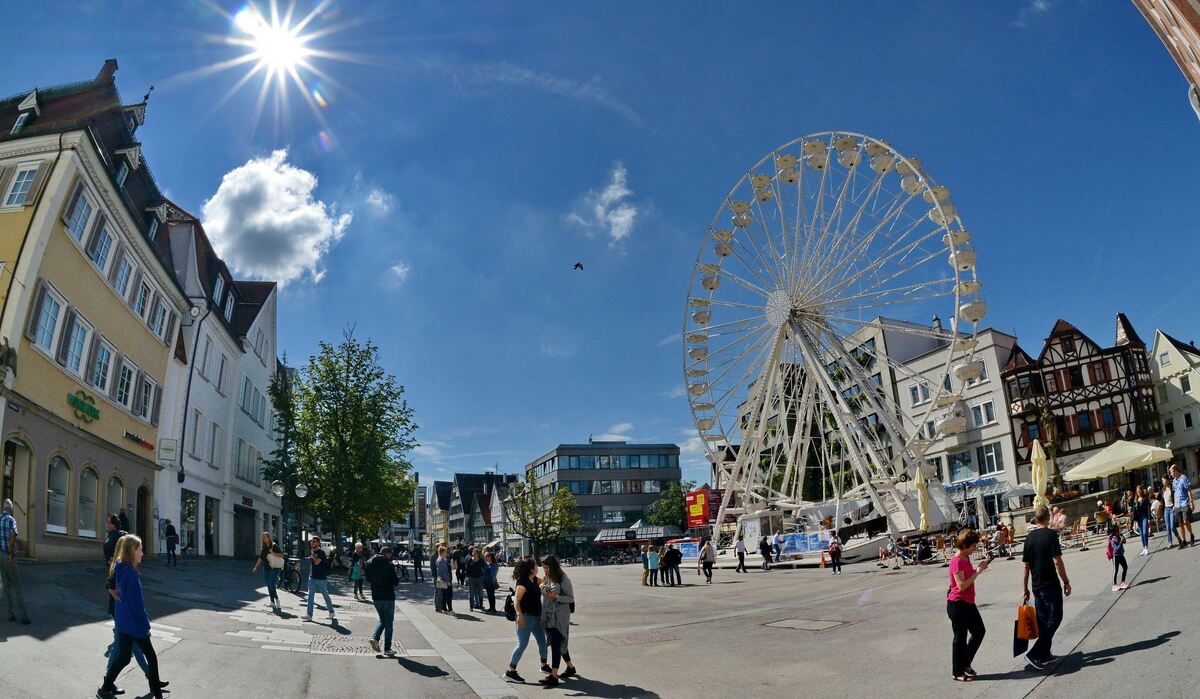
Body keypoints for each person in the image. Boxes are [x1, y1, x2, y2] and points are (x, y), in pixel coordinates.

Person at [96, 535, 167, 699]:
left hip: (124, 622)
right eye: (140, 549)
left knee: (124, 656)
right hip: (135, 625)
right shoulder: (132, 575)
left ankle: (105, 688)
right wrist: (145, 625)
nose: (142, 553)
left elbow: (113, 588)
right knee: (151, 657)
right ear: (132, 551)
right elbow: (137, 606)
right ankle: (157, 694)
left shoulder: (120, 568)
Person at [1022, 506, 1071, 670]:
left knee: (1043, 621)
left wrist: (1025, 588)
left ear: (1035, 519)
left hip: (1036, 585)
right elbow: (1058, 561)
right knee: (1055, 618)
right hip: (1050, 583)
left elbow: (1026, 567)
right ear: (1048, 518)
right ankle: (1035, 653)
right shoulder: (1051, 535)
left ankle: (1044, 653)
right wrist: (1066, 581)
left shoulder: (1029, 538)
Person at [946, 529, 989, 682]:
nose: (975, 548)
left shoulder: (965, 557)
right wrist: (977, 571)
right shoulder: (957, 561)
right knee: (960, 638)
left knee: (979, 631)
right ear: (965, 545)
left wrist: (978, 569)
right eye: (973, 546)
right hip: (958, 604)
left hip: (968, 603)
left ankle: (965, 663)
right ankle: (957, 671)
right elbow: (961, 586)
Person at [504, 558, 549, 683]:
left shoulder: (534, 579)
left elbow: (542, 583)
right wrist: (519, 615)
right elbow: (517, 600)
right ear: (531, 569)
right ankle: (510, 671)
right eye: (535, 565)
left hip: (535, 617)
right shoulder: (522, 582)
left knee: (542, 641)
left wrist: (544, 584)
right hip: (525, 617)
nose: (537, 567)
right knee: (522, 644)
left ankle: (544, 665)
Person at [538, 555, 577, 687]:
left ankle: (554, 676)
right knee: (560, 643)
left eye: (547, 568)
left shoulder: (563, 579)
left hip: (560, 617)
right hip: (549, 617)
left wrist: (557, 597)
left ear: (553, 567)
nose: (545, 570)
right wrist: (543, 586)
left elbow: (570, 598)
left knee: (556, 643)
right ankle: (570, 667)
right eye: (543, 568)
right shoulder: (547, 578)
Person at [365, 546, 399, 655]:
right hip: (388, 596)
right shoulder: (389, 564)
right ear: (387, 554)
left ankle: (375, 639)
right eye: (390, 554)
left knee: (382, 620)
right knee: (388, 623)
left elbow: (368, 579)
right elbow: (395, 582)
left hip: (376, 595)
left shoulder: (369, 562)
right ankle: (387, 648)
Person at [1, 499, 29, 625]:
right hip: (8, 555)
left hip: (0, 554)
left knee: (5, 585)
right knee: (17, 585)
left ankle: (9, 613)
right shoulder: (12, 520)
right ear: (11, 509)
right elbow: (13, 537)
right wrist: (11, 555)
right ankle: (23, 616)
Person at [302, 537, 336, 622]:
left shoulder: (321, 553)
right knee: (310, 596)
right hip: (312, 578)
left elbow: (317, 562)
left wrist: (312, 554)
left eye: (314, 542)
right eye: (311, 541)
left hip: (321, 579)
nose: (312, 543)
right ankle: (309, 614)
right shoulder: (312, 552)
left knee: (325, 596)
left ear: (318, 543)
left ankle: (331, 612)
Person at [251, 532, 282, 610]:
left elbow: (281, 555)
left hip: (274, 568)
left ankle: (277, 600)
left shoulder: (274, 546)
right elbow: (261, 558)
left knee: (271, 584)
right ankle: (272, 602)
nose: (263, 539)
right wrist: (255, 567)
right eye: (263, 537)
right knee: (269, 585)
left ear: (269, 538)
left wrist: (273, 553)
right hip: (266, 568)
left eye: (265, 537)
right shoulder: (264, 547)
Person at [1171, 464, 1194, 547]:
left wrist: (1191, 502)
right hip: (1177, 505)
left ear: (1176, 471)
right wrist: (1174, 504)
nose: (1171, 474)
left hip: (1184, 503)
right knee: (1180, 523)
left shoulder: (1183, 478)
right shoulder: (1174, 481)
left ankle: (1191, 535)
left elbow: (1188, 490)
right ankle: (1184, 540)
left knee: (1185, 521)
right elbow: (1174, 493)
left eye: (1171, 472)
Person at [1106, 525, 1128, 592]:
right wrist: (1120, 542)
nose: (1118, 532)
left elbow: (1125, 542)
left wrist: (1123, 538)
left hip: (1121, 555)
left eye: (1118, 530)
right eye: (1117, 531)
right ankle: (1114, 585)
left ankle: (1122, 582)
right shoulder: (1113, 539)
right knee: (1116, 570)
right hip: (1116, 556)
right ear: (1113, 532)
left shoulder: (1118, 536)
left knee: (1125, 567)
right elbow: (1116, 549)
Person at [1131, 485, 1151, 556]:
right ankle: (1143, 548)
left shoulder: (1145, 498)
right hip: (1138, 518)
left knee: (1145, 532)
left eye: (1139, 490)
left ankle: (1146, 547)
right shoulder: (1136, 499)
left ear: (1142, 491)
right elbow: (1133, 510)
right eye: (1137, 491)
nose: (1138, 492)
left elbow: (1149, 509)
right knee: (1141, 534)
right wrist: (1134, 520)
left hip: (1144, 516)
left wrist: (1149, 518)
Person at [436, 545, 454, 613]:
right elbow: (443, 572)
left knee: (445, 595)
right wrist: (447, 581)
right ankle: (449, 609)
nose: (446, 553)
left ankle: (446, 609)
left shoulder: (442, 560)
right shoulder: (441, 561)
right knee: (448, 595)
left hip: (444, 580)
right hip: (445, 580)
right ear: (442, 552)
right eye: (445, 552)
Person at [1161, 476, 1176, 547]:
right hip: (1166, 509)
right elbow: (1161, 500)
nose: (1162, 482)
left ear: (1167, 480)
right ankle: (1170, 542)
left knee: (1172, 527)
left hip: (1172, 508)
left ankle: (1179, 538)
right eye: (1162, 480)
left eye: (1163, 480)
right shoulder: (1163, 489)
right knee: (1167, 527)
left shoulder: (1172, 488)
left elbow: (1175, 497)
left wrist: (1175, 506)